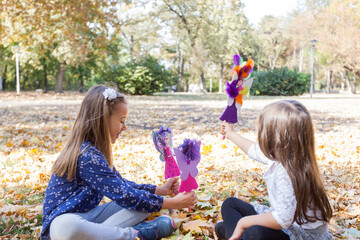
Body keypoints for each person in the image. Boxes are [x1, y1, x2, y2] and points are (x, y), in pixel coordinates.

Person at [41, 85, 197, 240]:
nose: (125, 127)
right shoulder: (86, 156)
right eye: (122, 121)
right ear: (102, 119)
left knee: (144, 201)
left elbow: (122, 186)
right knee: (67, 226)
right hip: (62, 229)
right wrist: (172, 203)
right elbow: (124, 194)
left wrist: (159, 190)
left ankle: (104, 236)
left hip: (91, 220)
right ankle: (134, 235)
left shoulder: (96, 152)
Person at [216, 100, 333, 240]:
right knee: (230, 204)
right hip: (287, 225)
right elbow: (254, 150)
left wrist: (243, 222)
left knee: (254, 232)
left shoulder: (288, 171)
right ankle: (239, 235)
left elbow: (283, 219)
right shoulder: (289, 156)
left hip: (302, 235)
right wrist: (230, 133)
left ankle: (238, 234)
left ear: (274, 138)